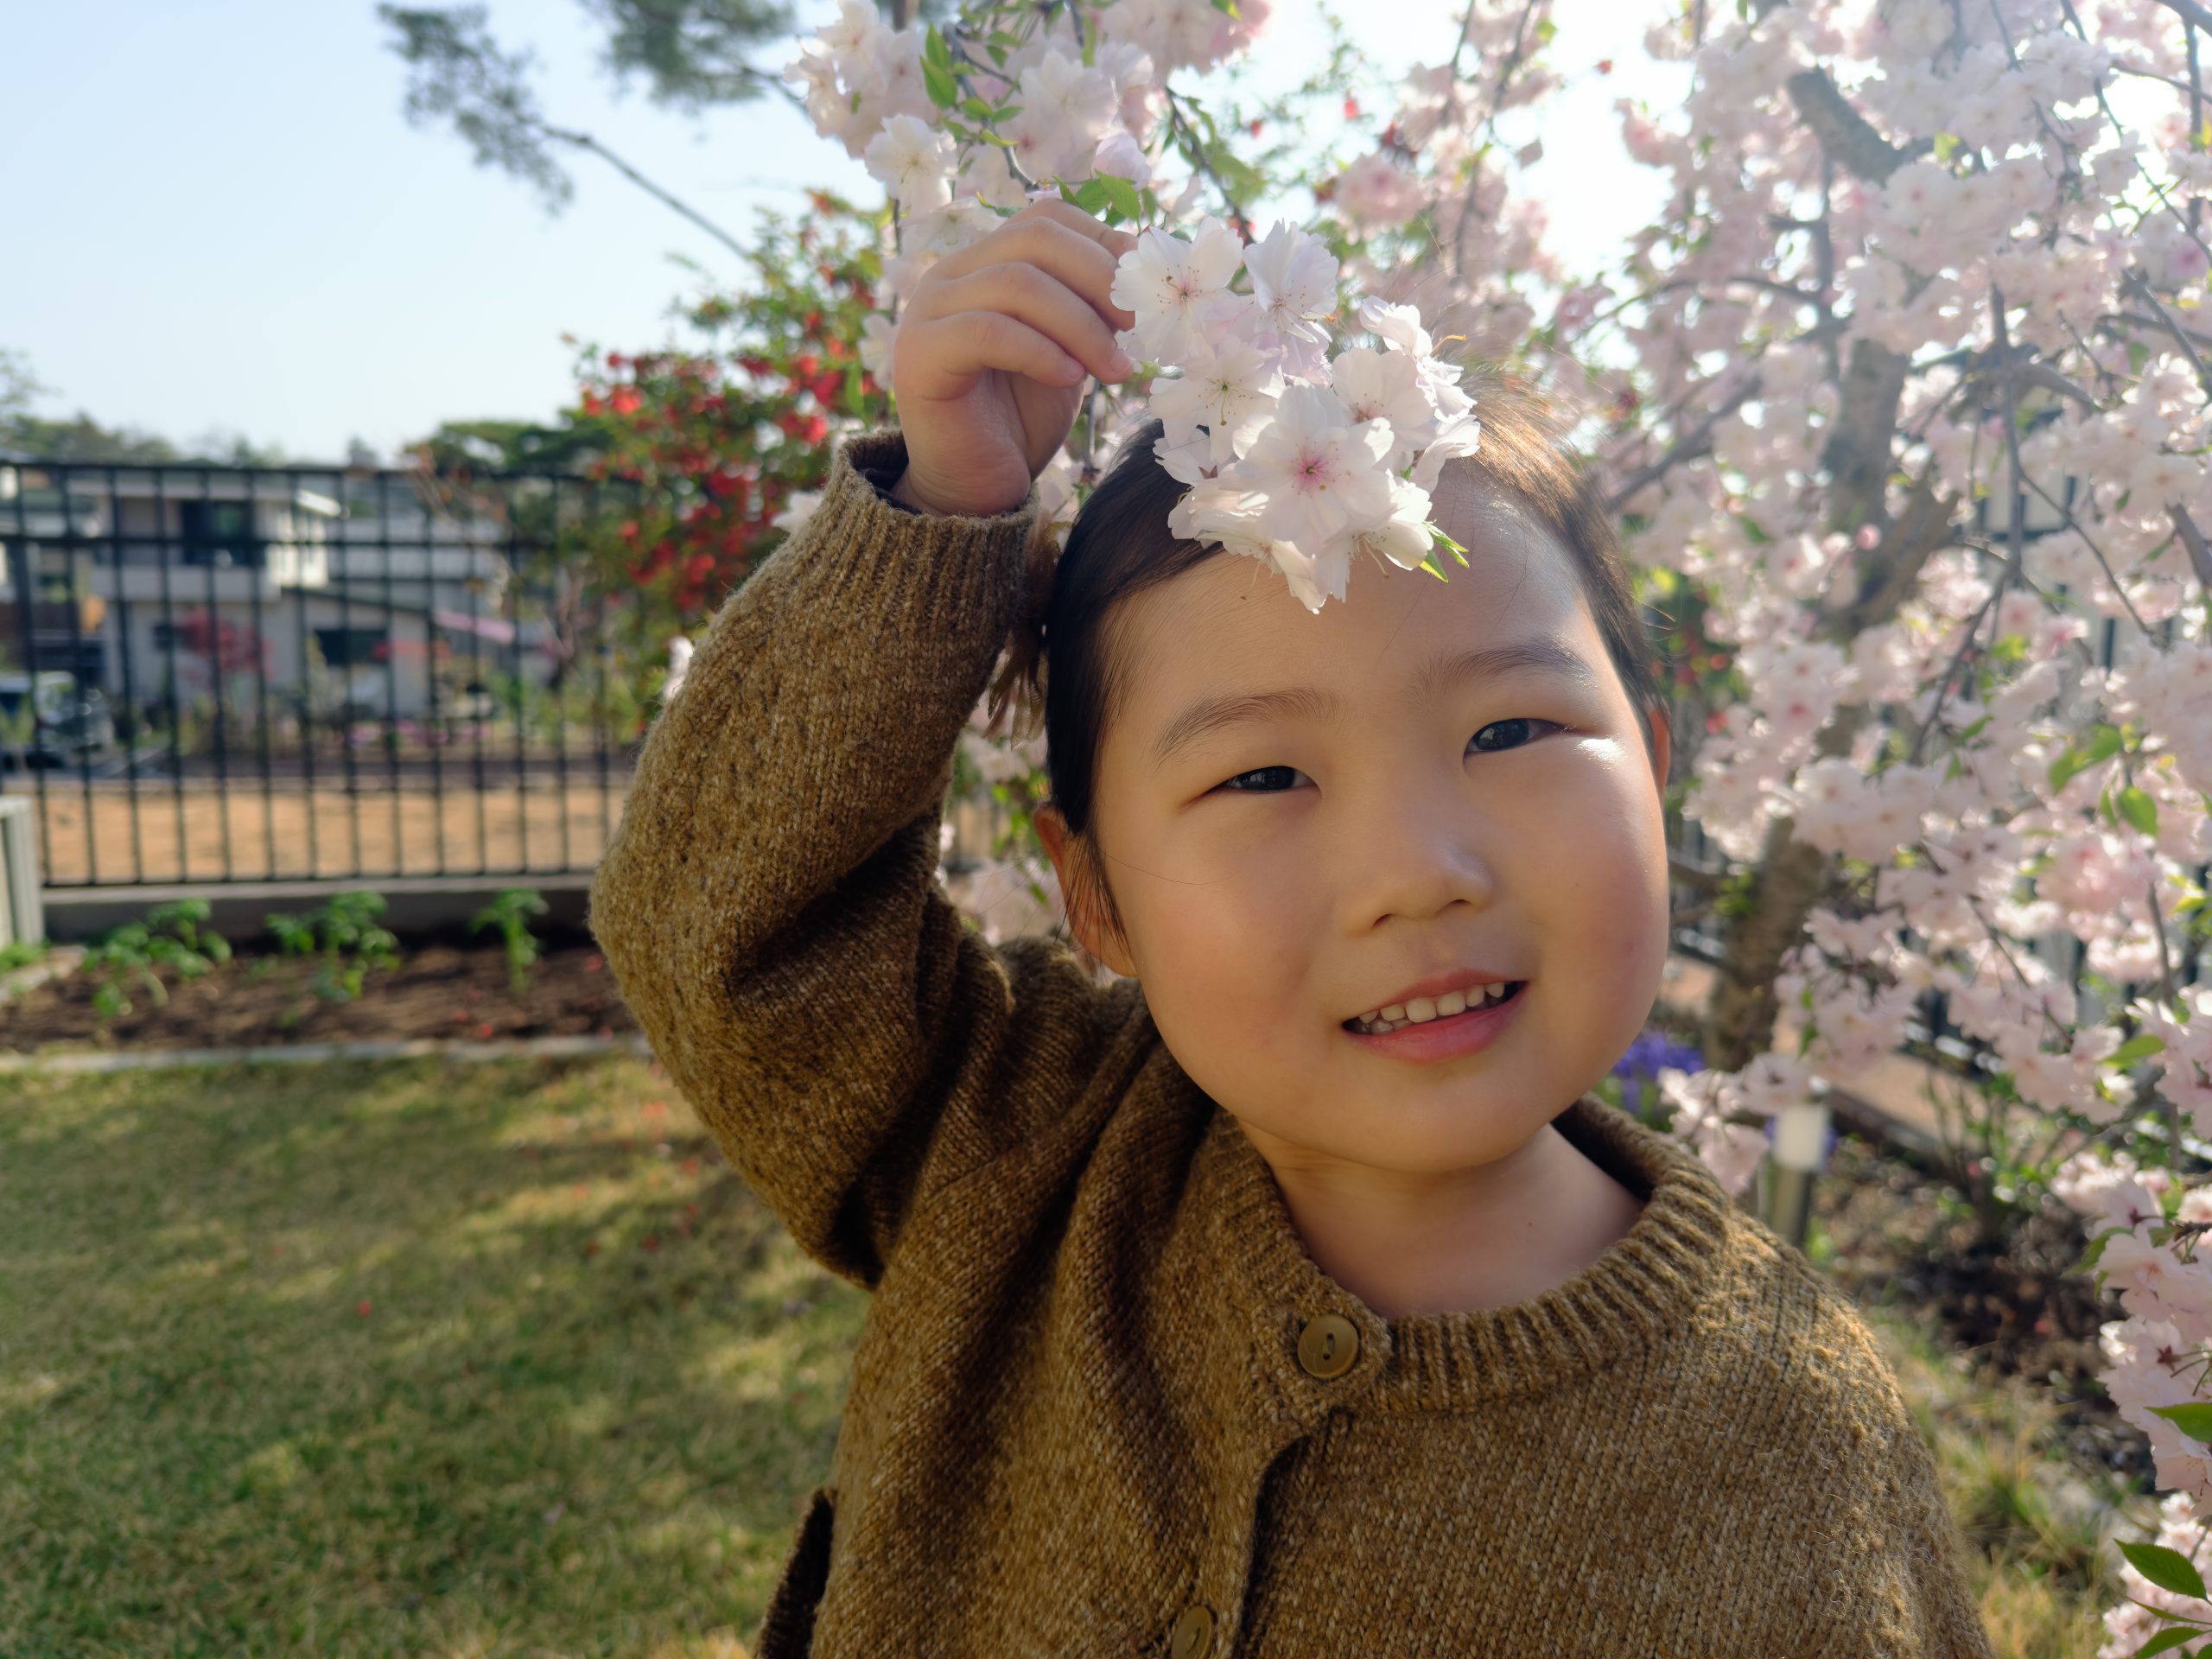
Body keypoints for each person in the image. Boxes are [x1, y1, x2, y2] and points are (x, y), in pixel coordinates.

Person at [588, 196, 1995, 1658]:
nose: (1416, 874)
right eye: (1263, 776)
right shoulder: (1008, 1144)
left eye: (1511, 730)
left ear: (1653, 764)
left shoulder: (1796, 1444)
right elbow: (716, 921)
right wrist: (942, 515)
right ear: (1096, 896)